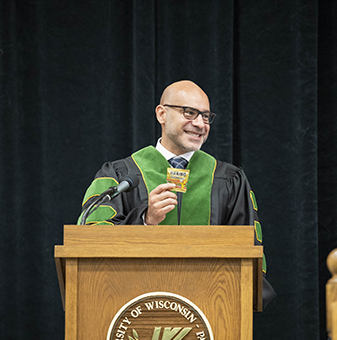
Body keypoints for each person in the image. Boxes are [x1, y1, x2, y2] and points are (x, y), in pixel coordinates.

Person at [79, 80, 275, 306]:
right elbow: (91, 241)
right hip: (129, 306)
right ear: (162, 114)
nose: (200, 124)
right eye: (190, 113)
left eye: (206, 116)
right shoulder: (119, 175)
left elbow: (248, 251)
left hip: (210, 310)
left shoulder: (228, 179)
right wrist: (144, 220)